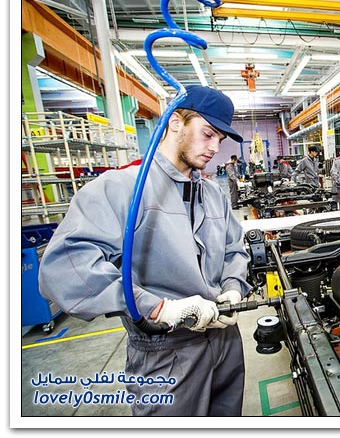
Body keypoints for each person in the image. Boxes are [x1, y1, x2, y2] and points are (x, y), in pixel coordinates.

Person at [38, 85, 252, 417]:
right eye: (208, 134)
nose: (214, 148)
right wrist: (157, 308)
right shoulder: (119, 189)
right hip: (166, 351)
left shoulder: (213, 194)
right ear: (176, 123)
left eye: (220, 140)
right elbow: (65, 269)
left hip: (225, 341)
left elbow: (234, 249)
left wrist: (233, 288)